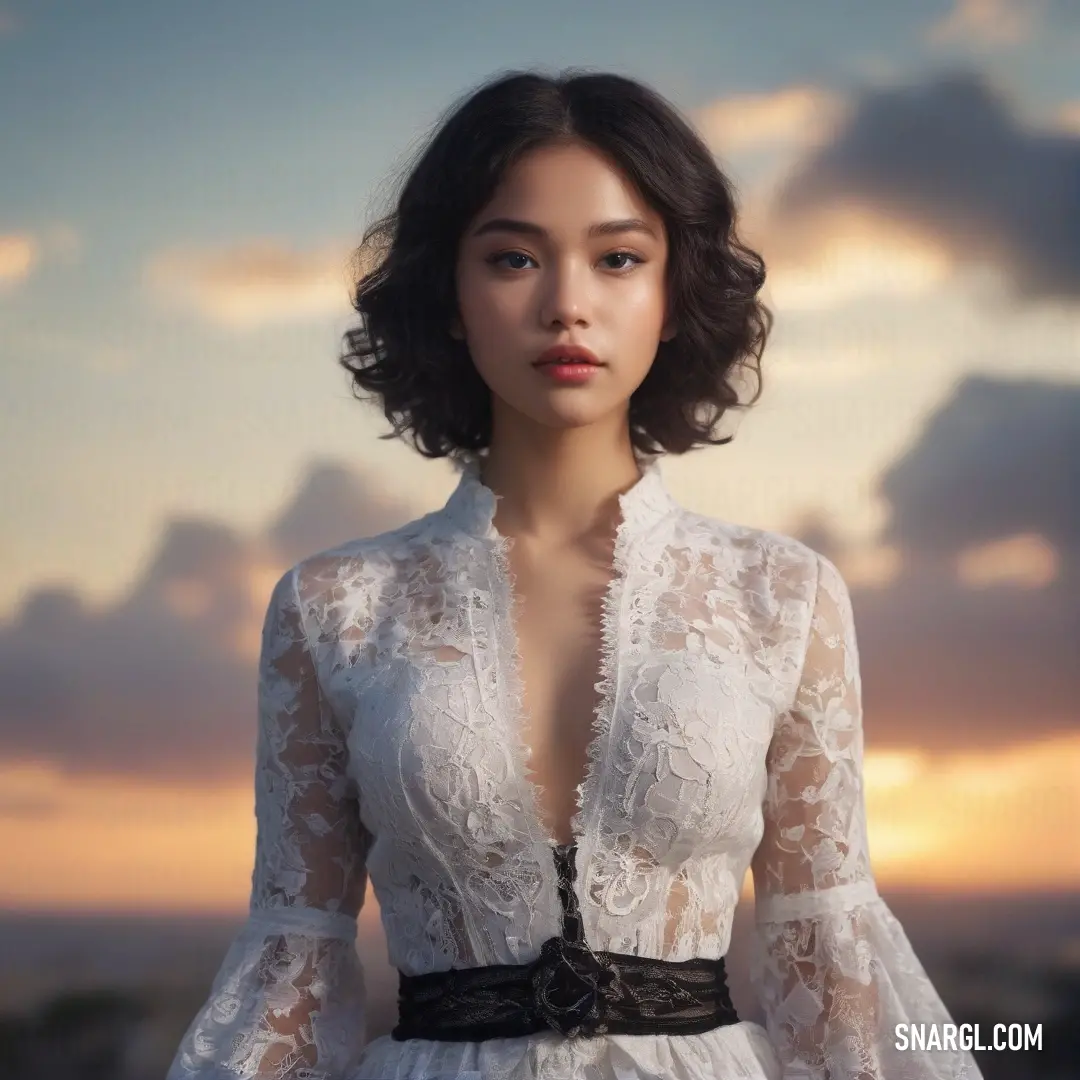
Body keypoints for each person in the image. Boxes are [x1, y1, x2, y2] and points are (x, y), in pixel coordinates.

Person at [167, 67, 983, 1080]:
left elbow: (830, 956)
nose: (566, 305)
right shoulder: (334, 606)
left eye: (617, 258)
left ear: (673, 294)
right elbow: (294, 952)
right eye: (513, 258)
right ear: (451, 296)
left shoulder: (784, 594)